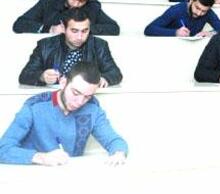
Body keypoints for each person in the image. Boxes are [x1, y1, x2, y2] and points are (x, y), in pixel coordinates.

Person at [0, 61, 128, 166]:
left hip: (68, 175)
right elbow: (3, 148)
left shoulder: (93, 108)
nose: (80, 102)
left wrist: (118, 153)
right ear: (63, 83)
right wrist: (41, 158)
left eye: (87, 96)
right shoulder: (34, 106)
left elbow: (114, 140)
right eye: (75, 93)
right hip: (31, 175)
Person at [18, 8, 123, 87]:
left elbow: (115, 73)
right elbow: (24, 75)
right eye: (74, 31)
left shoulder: (99, 45)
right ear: (63, 28)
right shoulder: (45, 45)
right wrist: (41, 76)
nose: (80, 37)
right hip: (53, 96)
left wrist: (103, 79)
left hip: (87, 97)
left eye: (85, 31)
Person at [144, 0, 220, 37]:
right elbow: (149, 29)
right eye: (197, 8)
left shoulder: (209, 12)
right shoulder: (176, 10)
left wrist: (211, 34)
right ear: (191, 0)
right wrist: (175, 33)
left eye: (204, 11)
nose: (199, 13)